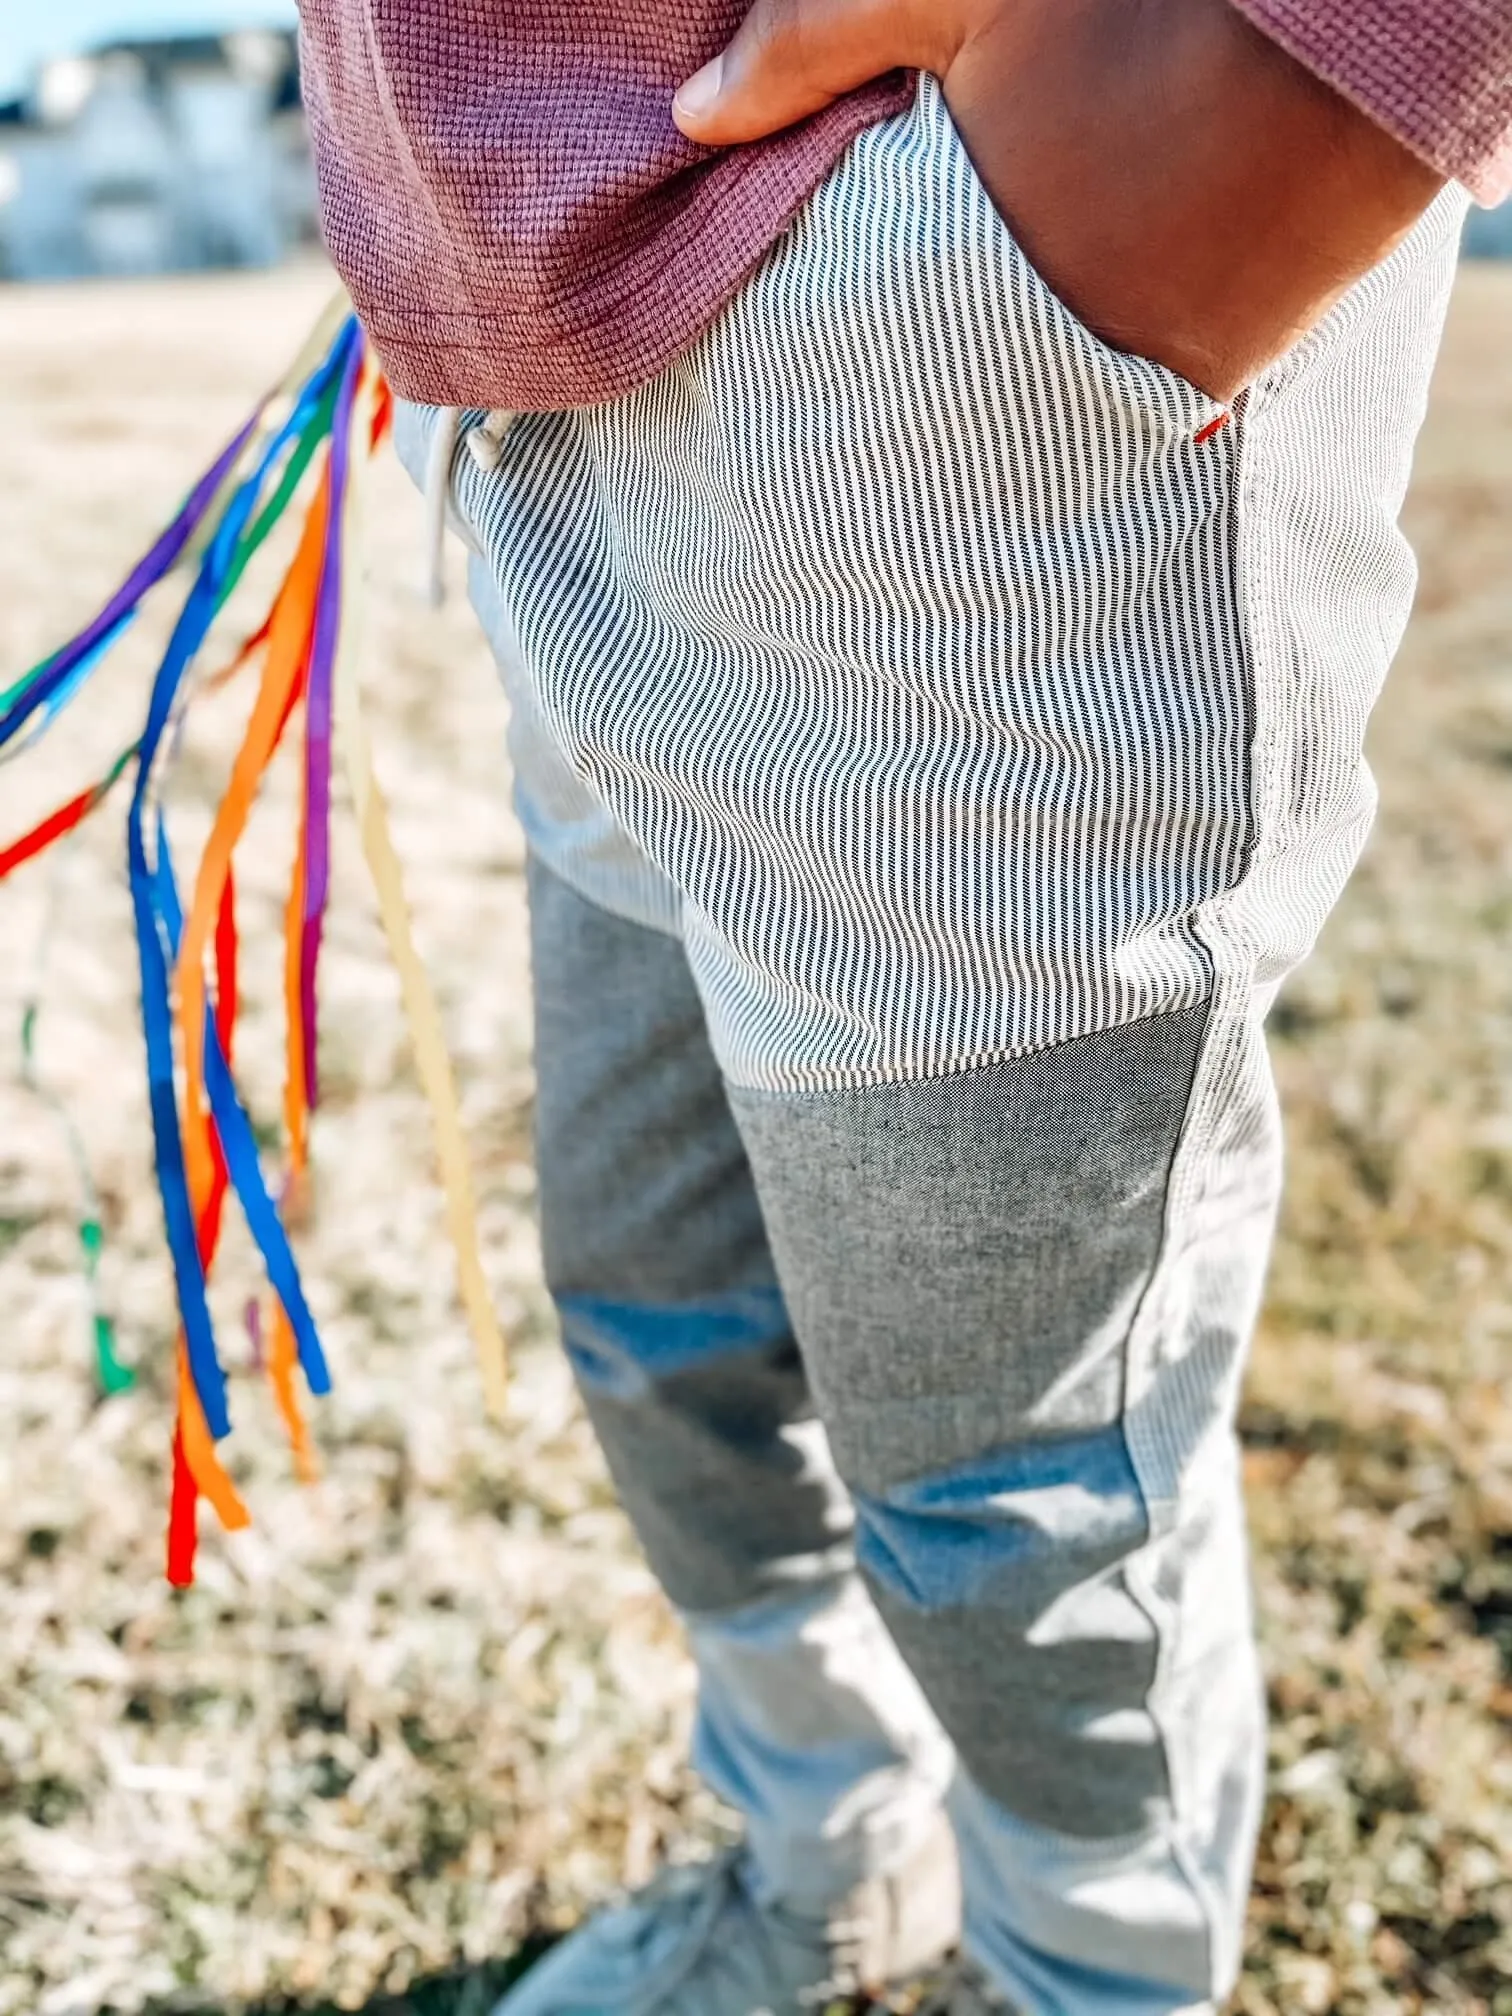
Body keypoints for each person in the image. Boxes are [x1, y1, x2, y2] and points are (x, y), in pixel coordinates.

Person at [296, 1, 1512, 2009]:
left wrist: (1194, 104)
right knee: (664, 1312)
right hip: (547, 372)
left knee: (1011, 1483)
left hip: (952, 304)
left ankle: (1090, 1980)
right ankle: (835, 1859)